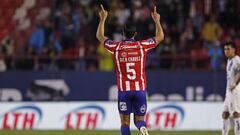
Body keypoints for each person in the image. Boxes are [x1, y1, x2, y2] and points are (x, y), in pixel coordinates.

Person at [96, 4, 164, 135]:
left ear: (123, 34)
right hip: (140, 90)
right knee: (139, 120)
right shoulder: (142, 46)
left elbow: (100, 36)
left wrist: (102, 19)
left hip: (124, 91)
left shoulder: (116, 47)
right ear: (135, 34)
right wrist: (157, 21)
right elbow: (160, 37)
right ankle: (142, 128)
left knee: (125, 122)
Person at [222, 41, 240, 135]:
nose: (226, 51)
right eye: (225, 49)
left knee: (236, 114)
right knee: (225, 114)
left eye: (228, 49)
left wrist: (235, 84)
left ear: (233, 50)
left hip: (234, 91)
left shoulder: (237, 60)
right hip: (228, 92)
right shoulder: (229, 60)